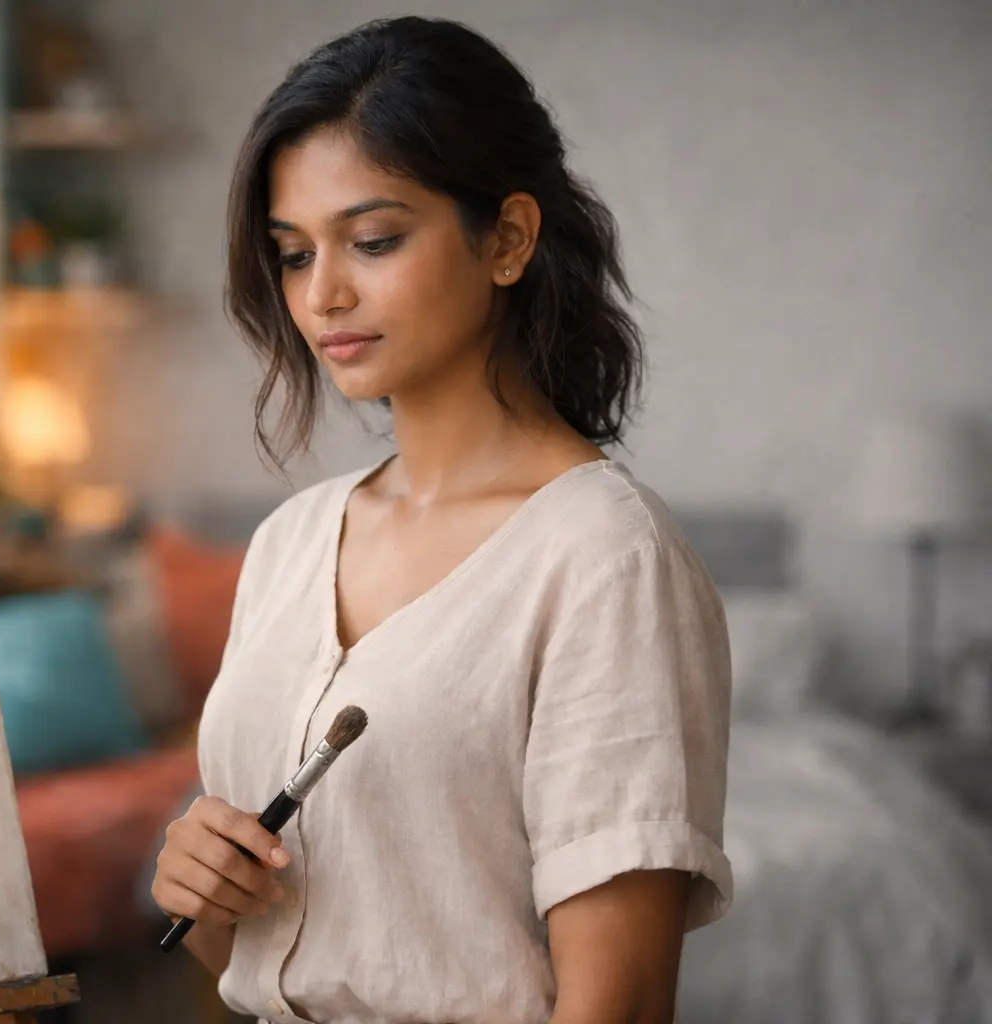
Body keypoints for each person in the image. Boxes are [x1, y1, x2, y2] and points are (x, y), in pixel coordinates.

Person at [150, 15, 733, 1024]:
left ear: (507, 238)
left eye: (374, 240)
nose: (325, 293)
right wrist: (201, 888)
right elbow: (270, 955)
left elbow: (619, 1006)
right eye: (292, 255)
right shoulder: (290, 542)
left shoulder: (605, 558)